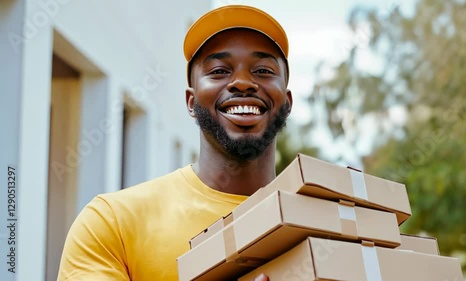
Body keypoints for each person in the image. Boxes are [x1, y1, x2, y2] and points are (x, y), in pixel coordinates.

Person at [57, 4, 292, 281]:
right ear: (191, 102)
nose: (242, 82)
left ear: (287, 103)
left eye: (263, 70)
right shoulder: (112, 223)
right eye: (219, 70)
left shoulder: (324, 219)